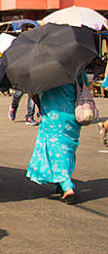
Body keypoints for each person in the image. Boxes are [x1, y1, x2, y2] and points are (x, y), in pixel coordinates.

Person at [25, 71, 87, 204]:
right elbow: (85, 87)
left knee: (56, 152)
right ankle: (60, 183)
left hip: (53, 117)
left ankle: (67, 186)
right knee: (67, 151)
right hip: (72, 115)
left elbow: (34, 94)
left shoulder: (40, 72)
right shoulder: (74, 68)